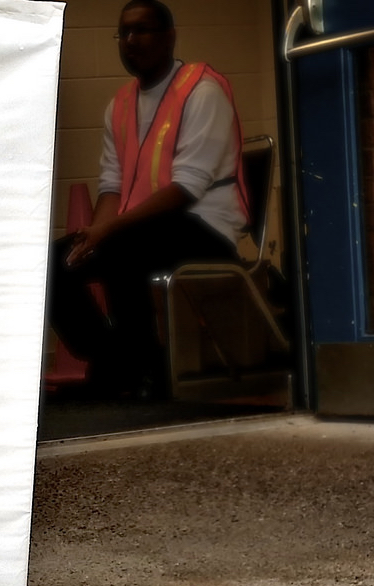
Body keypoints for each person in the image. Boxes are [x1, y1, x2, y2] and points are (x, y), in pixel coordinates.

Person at [49, 0, 249, 398]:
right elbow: (112, 185)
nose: (131, 40)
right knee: (56, 262)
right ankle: (111, 362)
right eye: (123, 32)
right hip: (143, 227)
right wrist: (95, 234)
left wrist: (111, 232)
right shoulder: (119, 105)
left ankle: (143, 372)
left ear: (170, 37)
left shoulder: (202, 91)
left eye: (142, 30)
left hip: (205, 228)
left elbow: (186, 188)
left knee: (126, 249)